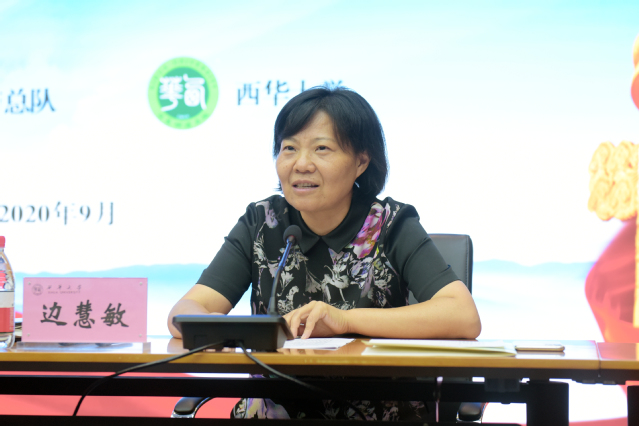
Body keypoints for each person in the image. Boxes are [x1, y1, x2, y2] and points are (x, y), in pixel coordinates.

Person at [167, 86, 481, 420]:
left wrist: (344, 320)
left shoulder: (390, 223)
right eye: (289, 148)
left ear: (361, 161)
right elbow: (183, 313)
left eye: (322, 149)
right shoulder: (263, 222)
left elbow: (462, 316)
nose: (301, 164)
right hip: (271, 413)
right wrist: (226, 330)